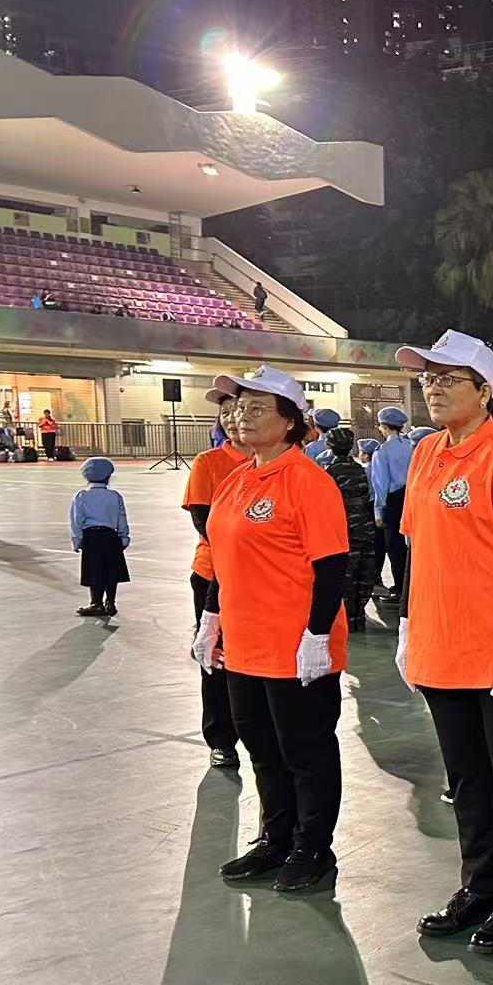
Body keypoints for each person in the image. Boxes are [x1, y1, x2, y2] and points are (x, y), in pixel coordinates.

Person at [390, 331, 493, 955]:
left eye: (448, 378)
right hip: (441, 647)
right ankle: (477, 886)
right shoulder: (425, 452)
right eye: (427, 378)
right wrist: (408, 622)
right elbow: (415, 548)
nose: (433, 388)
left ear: (485, 391)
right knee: (465, 779)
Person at [190, 364, 351, 894]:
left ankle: (313, 847)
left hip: (294, 645)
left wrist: (318, 634)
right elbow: (222, 557)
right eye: (238, 407)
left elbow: (332, 565)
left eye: (257, 407)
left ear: (290, 422)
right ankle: (276, 837)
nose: (242, 416)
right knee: (261, 747)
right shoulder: (236, 480)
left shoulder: (308, 481)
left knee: (305, 750)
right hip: (244, 644)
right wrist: (211, 619)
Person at [182, 397, 252, 768]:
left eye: (239, 410)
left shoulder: (276, 463)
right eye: (224, 413)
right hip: (214, 575)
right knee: (217, 656)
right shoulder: (209, 463)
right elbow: (203, 520)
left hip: (265, 580)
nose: (232, 418)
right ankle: (222, 738)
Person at [322, 427, 378, 632]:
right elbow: (367, 495)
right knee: (365, 571)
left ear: (330, 447)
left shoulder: (330, 472)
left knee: (346, 572)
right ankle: (359, 615)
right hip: (364, 525)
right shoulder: (360, 469)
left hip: (343, 527)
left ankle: (347, 617)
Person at [70, 457, 130, 619]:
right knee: (111, 570)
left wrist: (77, 540)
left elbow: (76, 520)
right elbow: (121, 517)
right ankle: (110, 602)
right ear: (108, 477)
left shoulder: (81, 496)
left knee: (94, 570)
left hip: (91, 538)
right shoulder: (115, 496)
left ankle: (96, 603)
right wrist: (124, 537)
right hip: (111, 537)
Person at [370, 405, 414, 597]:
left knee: (394, 545)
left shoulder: (382, 450)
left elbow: (381, 483)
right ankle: (413, 583)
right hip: (411, 496)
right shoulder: (411, 446)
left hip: (393, 500)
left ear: (385, 427)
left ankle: (399, 586)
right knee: (413, 543)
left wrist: (378, 511)